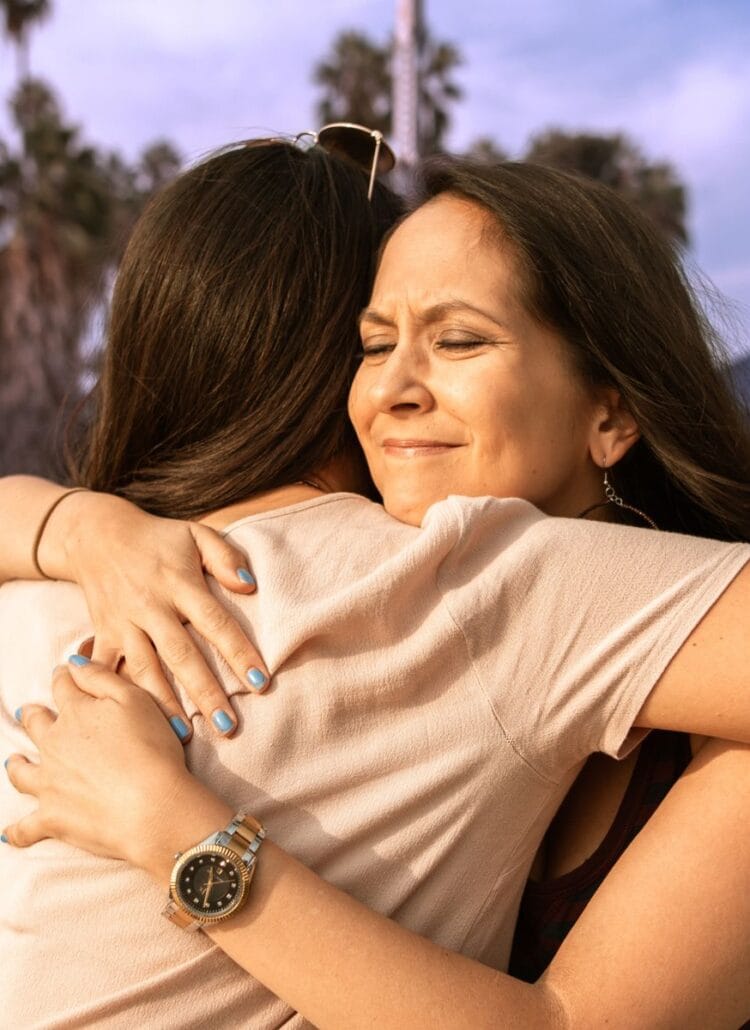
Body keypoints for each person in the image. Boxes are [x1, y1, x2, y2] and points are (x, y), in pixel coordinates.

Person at [2, 150, 750, 1029]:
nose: (391, 390)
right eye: (372, 345)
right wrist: (87, 528)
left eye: (459, 340)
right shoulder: (409, 594)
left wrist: (180, 835)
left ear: (612, 412)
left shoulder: (496, 584)